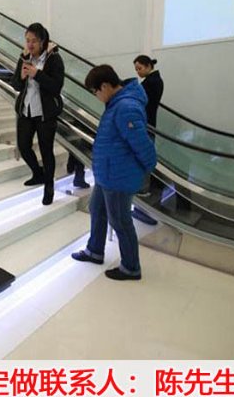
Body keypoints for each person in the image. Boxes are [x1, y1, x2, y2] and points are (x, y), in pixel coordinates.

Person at [71, 65, 156, 281]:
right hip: (107, 173)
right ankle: (95, 251)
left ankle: (131, 267)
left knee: (120, 221)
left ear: (105, 86)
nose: (96, 96)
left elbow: (142, 144)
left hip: (119, 175)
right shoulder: (116, 104)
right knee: (96, 209)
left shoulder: (125, 107)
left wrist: (147, 168)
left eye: (95, 91)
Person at [10, 23, 64, 205]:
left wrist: (37, 74)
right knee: (23, 146)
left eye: (34, 41)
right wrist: (21, 77)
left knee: (46, 151)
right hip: (26, 111)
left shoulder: (54, 59)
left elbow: (56, 86)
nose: (30, 44)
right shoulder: (24, 57)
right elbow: (16, 85)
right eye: (27, 40)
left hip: (45, 113)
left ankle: (49, 187)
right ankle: (38, 173)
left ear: (42, 41)